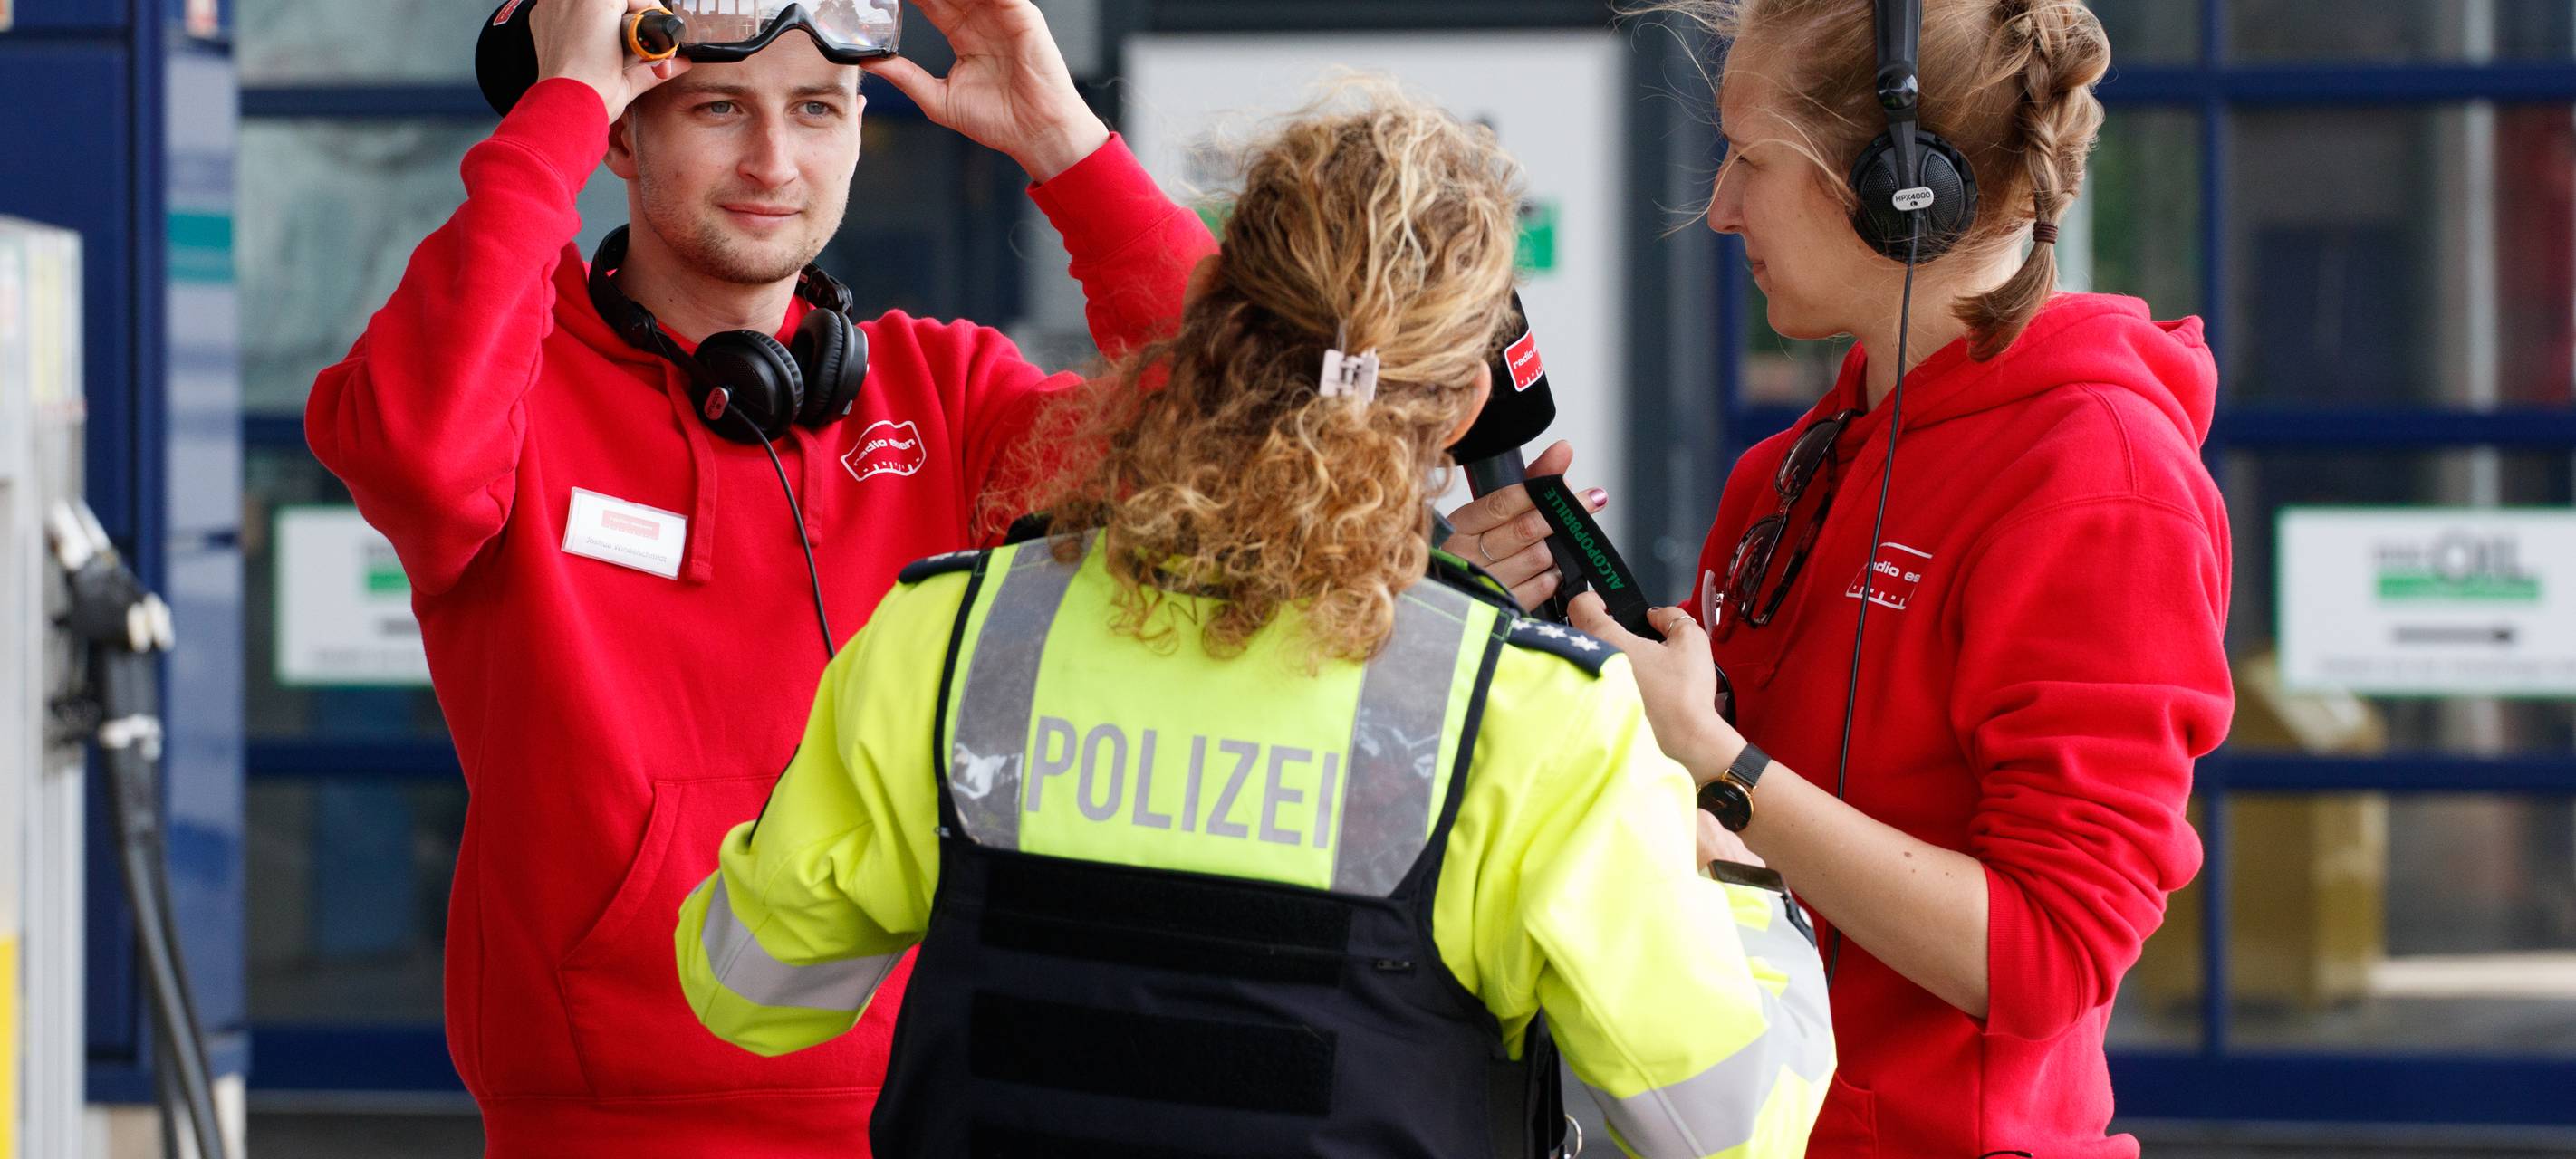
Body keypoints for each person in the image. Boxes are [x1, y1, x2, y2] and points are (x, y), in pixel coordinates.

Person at [675, 90, 1835, 1158]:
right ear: (1470, 400)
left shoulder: (955, 634)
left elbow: (748, 985)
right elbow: (1729, 1131)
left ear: (1213, 331)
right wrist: (1732, 870)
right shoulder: (1534, 720)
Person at [301, 0, 1226, 1153]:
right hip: (604, 1115)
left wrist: (1062, 138)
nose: (773, 162)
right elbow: (415, 449)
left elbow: (1240, 427)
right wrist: (563, 104)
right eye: (721, 108)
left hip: (932, 1099)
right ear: (626, 137)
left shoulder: (945, 395)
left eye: (818, 111)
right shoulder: (514, 389)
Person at [1570, 2, 2234, 1156]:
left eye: (1749, 158)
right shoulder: (1789, 469)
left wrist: (1725, 767)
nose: (1721, 208)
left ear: (1898, 185)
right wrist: (1552, 621)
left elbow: (2047, 955)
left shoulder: (2100, 481)